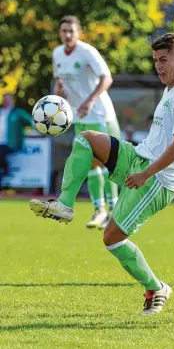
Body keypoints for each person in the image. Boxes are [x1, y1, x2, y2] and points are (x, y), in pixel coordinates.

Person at [30, 33, 174, 315]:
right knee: (86, 138)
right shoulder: (172, 88)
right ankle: (64, 204)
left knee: (112, 238)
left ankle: (155, 287)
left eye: (163, 60)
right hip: (137, 157)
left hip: (157, 180)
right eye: (155, 61)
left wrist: (146, 174)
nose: (158, 66)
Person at [52, 15, 120, 229]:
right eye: (64, 31)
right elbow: (59, 82)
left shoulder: (88, 51)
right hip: (78, 117)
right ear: (60, 33)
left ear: (79, 32)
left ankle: (114, 211)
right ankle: (99, 210)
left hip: (100, 115)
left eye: (72, 31)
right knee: (90, 163)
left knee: (108, 163)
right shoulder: (57, 54)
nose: (68, 34)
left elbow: (107, 78)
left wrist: (89, 101)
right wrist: (59, 92)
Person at [0, 93, 33, 189]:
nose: (7, 101)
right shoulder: (1, 112)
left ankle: (6, 172)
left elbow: (31, 122)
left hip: (10, 144)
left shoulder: (17, 112)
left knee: (1, 153)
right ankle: (5, 173)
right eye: (5, 99)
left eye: (9, 99)